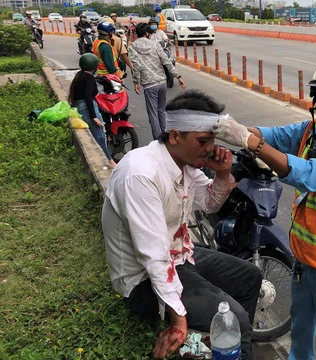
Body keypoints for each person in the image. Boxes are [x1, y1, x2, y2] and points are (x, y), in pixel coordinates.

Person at [214, 61, 316, 360]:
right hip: (304, 263)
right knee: (300, 339)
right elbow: (272, 135)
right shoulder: (310, 132)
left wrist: (252, 143)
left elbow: (309, 174)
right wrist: (234, 131)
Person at [101, 89, 262, 360]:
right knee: (236, 319)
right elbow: (154, 257)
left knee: (250, 277)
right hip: (143, 279)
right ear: (174, 136)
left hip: (179, 257)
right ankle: (231, 339)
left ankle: (222, 342)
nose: (210, 148)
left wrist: (222, 173)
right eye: (202, 140)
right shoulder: (141, 175)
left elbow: (209, 203)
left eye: (212, 140)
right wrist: (178, 319)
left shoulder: (183, 163)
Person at [129, 23, 186, 140]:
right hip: (161, 82)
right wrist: (178, 76)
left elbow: (136, 66)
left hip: (149, 85)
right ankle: (166, 136)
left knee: (153, 113)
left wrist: (136, 82)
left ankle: (158, 139)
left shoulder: (133, 47)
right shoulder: (155, 45)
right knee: (161, 111)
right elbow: (166, 61)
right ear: (146, 33)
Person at [68, 53, 117, 169]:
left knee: (97, 134)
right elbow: (88, 97)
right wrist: (93, 116)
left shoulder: (79, 76)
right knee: (99, 136)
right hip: (87, 108)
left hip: (79, 106)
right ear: (94, 66)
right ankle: (110, 161)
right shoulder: (89, 78)